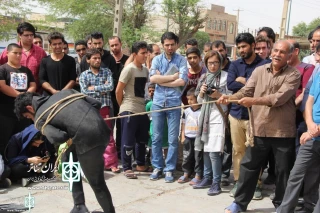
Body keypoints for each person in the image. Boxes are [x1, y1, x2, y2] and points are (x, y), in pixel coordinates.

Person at [221, 40, 301, 213]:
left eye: (282, 52)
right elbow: (246, 91)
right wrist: (229, 97)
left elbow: (278, 98)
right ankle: (240, 203)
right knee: (249, 167)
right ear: (271, 52)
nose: (277, 54)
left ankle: (282, 206)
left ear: (290, 55)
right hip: (259, 129)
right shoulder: (259, 71)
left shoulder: (293, 75)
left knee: (283, 171)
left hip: (282, 132)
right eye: (276, 51)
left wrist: (253, 101)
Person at [14, 90, 115, 213]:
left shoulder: (40, 118)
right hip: (103, 131)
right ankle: (79, 205)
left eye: (28, 116)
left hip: (88, 140)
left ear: (30, 108)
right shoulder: (66, 93)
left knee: (97, 183)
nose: (30, 119)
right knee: (67, 158)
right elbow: (96, 104)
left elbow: (60, 137)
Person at [277, 43, 320, 213]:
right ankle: (284, 210)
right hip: (311, 135)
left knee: (315, 178)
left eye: (319, 55)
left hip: (313, 133)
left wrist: (313, 130)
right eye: (316, 54)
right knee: (297, 174)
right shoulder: (317, 73)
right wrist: (310, 126)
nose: (316, 59)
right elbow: (309, 100)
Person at [227, 33, 268, 198]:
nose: (242, 50)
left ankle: (256, 184)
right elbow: (230, 85)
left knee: (254, 151)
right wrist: (250, 82)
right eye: (239, 47)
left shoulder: (265, 64)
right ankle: (238, 182)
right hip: (236, 114)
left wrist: (245, 81)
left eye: (244, 46)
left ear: (253, 45)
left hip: (256, 116)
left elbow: (263, 87)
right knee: (238, 150)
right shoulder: (235, 64)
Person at [149, 32, 188, 183]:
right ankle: (157, 166)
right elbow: (152, 78)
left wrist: (161, 80)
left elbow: (182, 81)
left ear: (177, 44)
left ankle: (169, 168)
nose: (170, 47)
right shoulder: (157, 59)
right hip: (158, 102)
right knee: (156, 137)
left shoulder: (181, 60)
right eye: (167, 45)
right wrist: (172, 77)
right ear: (162, 45)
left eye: (172, 44)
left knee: (173, 139)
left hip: (174, 103)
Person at [192, 50, 230, 196]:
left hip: (219, 116)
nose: (213, 66)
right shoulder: (203, 77)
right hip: (205, 117)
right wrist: (202, 92)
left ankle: (216, 182)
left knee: (214, 152)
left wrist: (218, 94)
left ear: (221, 63)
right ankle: (207, 178)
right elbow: (199, 102)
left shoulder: (226, 77)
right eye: (210, 63)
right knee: (206, 150)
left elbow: (231, 97)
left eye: (215, 63)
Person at [79, 48, 119, 173]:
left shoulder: (106, 72)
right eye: (94, 58)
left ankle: (111, 163)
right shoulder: (84, 75)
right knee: (91, 136)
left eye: (99, 58)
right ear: (88, 60)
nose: (97, 60)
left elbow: (110, 86)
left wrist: (94, 87)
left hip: (105, 107)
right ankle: (94, 164)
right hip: (90, 109)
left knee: (108, 136)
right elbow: (84, 91)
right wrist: (102, 88)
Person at [116, 41, 151, 179]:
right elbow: (118, 90)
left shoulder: (145, 70)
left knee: (142, 139)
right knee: (128, 140)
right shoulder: (128, 69)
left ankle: (140, 164)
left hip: (141, 109)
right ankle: (127, 167)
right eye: (142, 53)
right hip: (129, 108)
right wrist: (122, 108)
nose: (145, 55)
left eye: (146, 53)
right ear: (135, 54)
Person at [0, 43, 36, 157]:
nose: (18, 55)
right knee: (5, 139)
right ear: (7, 53)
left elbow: (33, 84)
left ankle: (22, 161)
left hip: (24, 113)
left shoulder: (26, 70)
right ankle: (5, 163)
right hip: (6, 112)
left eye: (20, 53)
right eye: (15, 53)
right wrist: (20, 95)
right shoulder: (2, 69)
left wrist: (27, 94)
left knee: (23, 138)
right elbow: (2, 86)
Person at [0, 22, 47, 92]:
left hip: (34, 93)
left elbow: (44, 72)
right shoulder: (9, 50)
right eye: (26, 35)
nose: (30, 38)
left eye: (32, 35)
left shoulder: (41, 52)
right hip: (10, 93)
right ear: (19, 35)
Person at [108, 36, 129, 159]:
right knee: (109, 126)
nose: (114, 47)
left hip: (124, 98)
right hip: (110, 98)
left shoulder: (127, 60)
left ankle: (121, 152)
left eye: (116, 44)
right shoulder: (107, 60)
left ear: (120, 44)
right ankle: (110, 153)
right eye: (112, 45)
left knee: (122, 126)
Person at [39, 32, 76, 96]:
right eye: (54, 44)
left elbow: (72, 79)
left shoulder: (71, 60)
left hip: (66, 95)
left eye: (59, 43)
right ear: (50, 45)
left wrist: (62, 92)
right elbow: (42, 80)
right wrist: (53, 91)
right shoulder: (45, 61)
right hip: (48, 96)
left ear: (63, 44)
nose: (57, 46)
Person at [178, 87, 202, 184]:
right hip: (188, 137)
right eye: (188, 99)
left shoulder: (202, 110)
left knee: (198, 157)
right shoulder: (187, 111)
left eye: (192, 99)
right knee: (187, 156)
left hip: (198, 138)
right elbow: (183, 124)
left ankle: (198, 175)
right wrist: (182, 135)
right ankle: (186, 173)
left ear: (197, 98)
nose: (189, 101)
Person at [145, 83, 168, 165]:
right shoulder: (148, 105)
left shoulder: (164, 102)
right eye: (150, 91)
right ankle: (154, 164)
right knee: (153, 148)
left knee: (166, 147)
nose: (151, 93)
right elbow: (147, 119)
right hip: (152, 130)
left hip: (164, 129)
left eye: (153, 91)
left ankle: (166, 165)